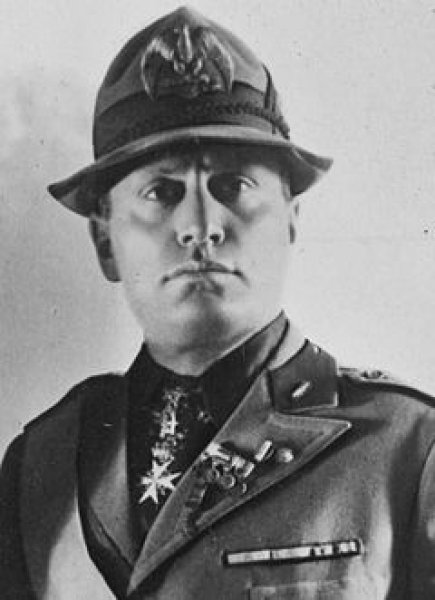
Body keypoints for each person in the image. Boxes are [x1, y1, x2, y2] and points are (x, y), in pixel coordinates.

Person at [1, 6, 434, 600]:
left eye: (233, 186)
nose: (201, 226)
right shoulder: (42, 466)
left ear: (291, 219)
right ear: (105, 242)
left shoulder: (406, 450)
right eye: (162, 191)